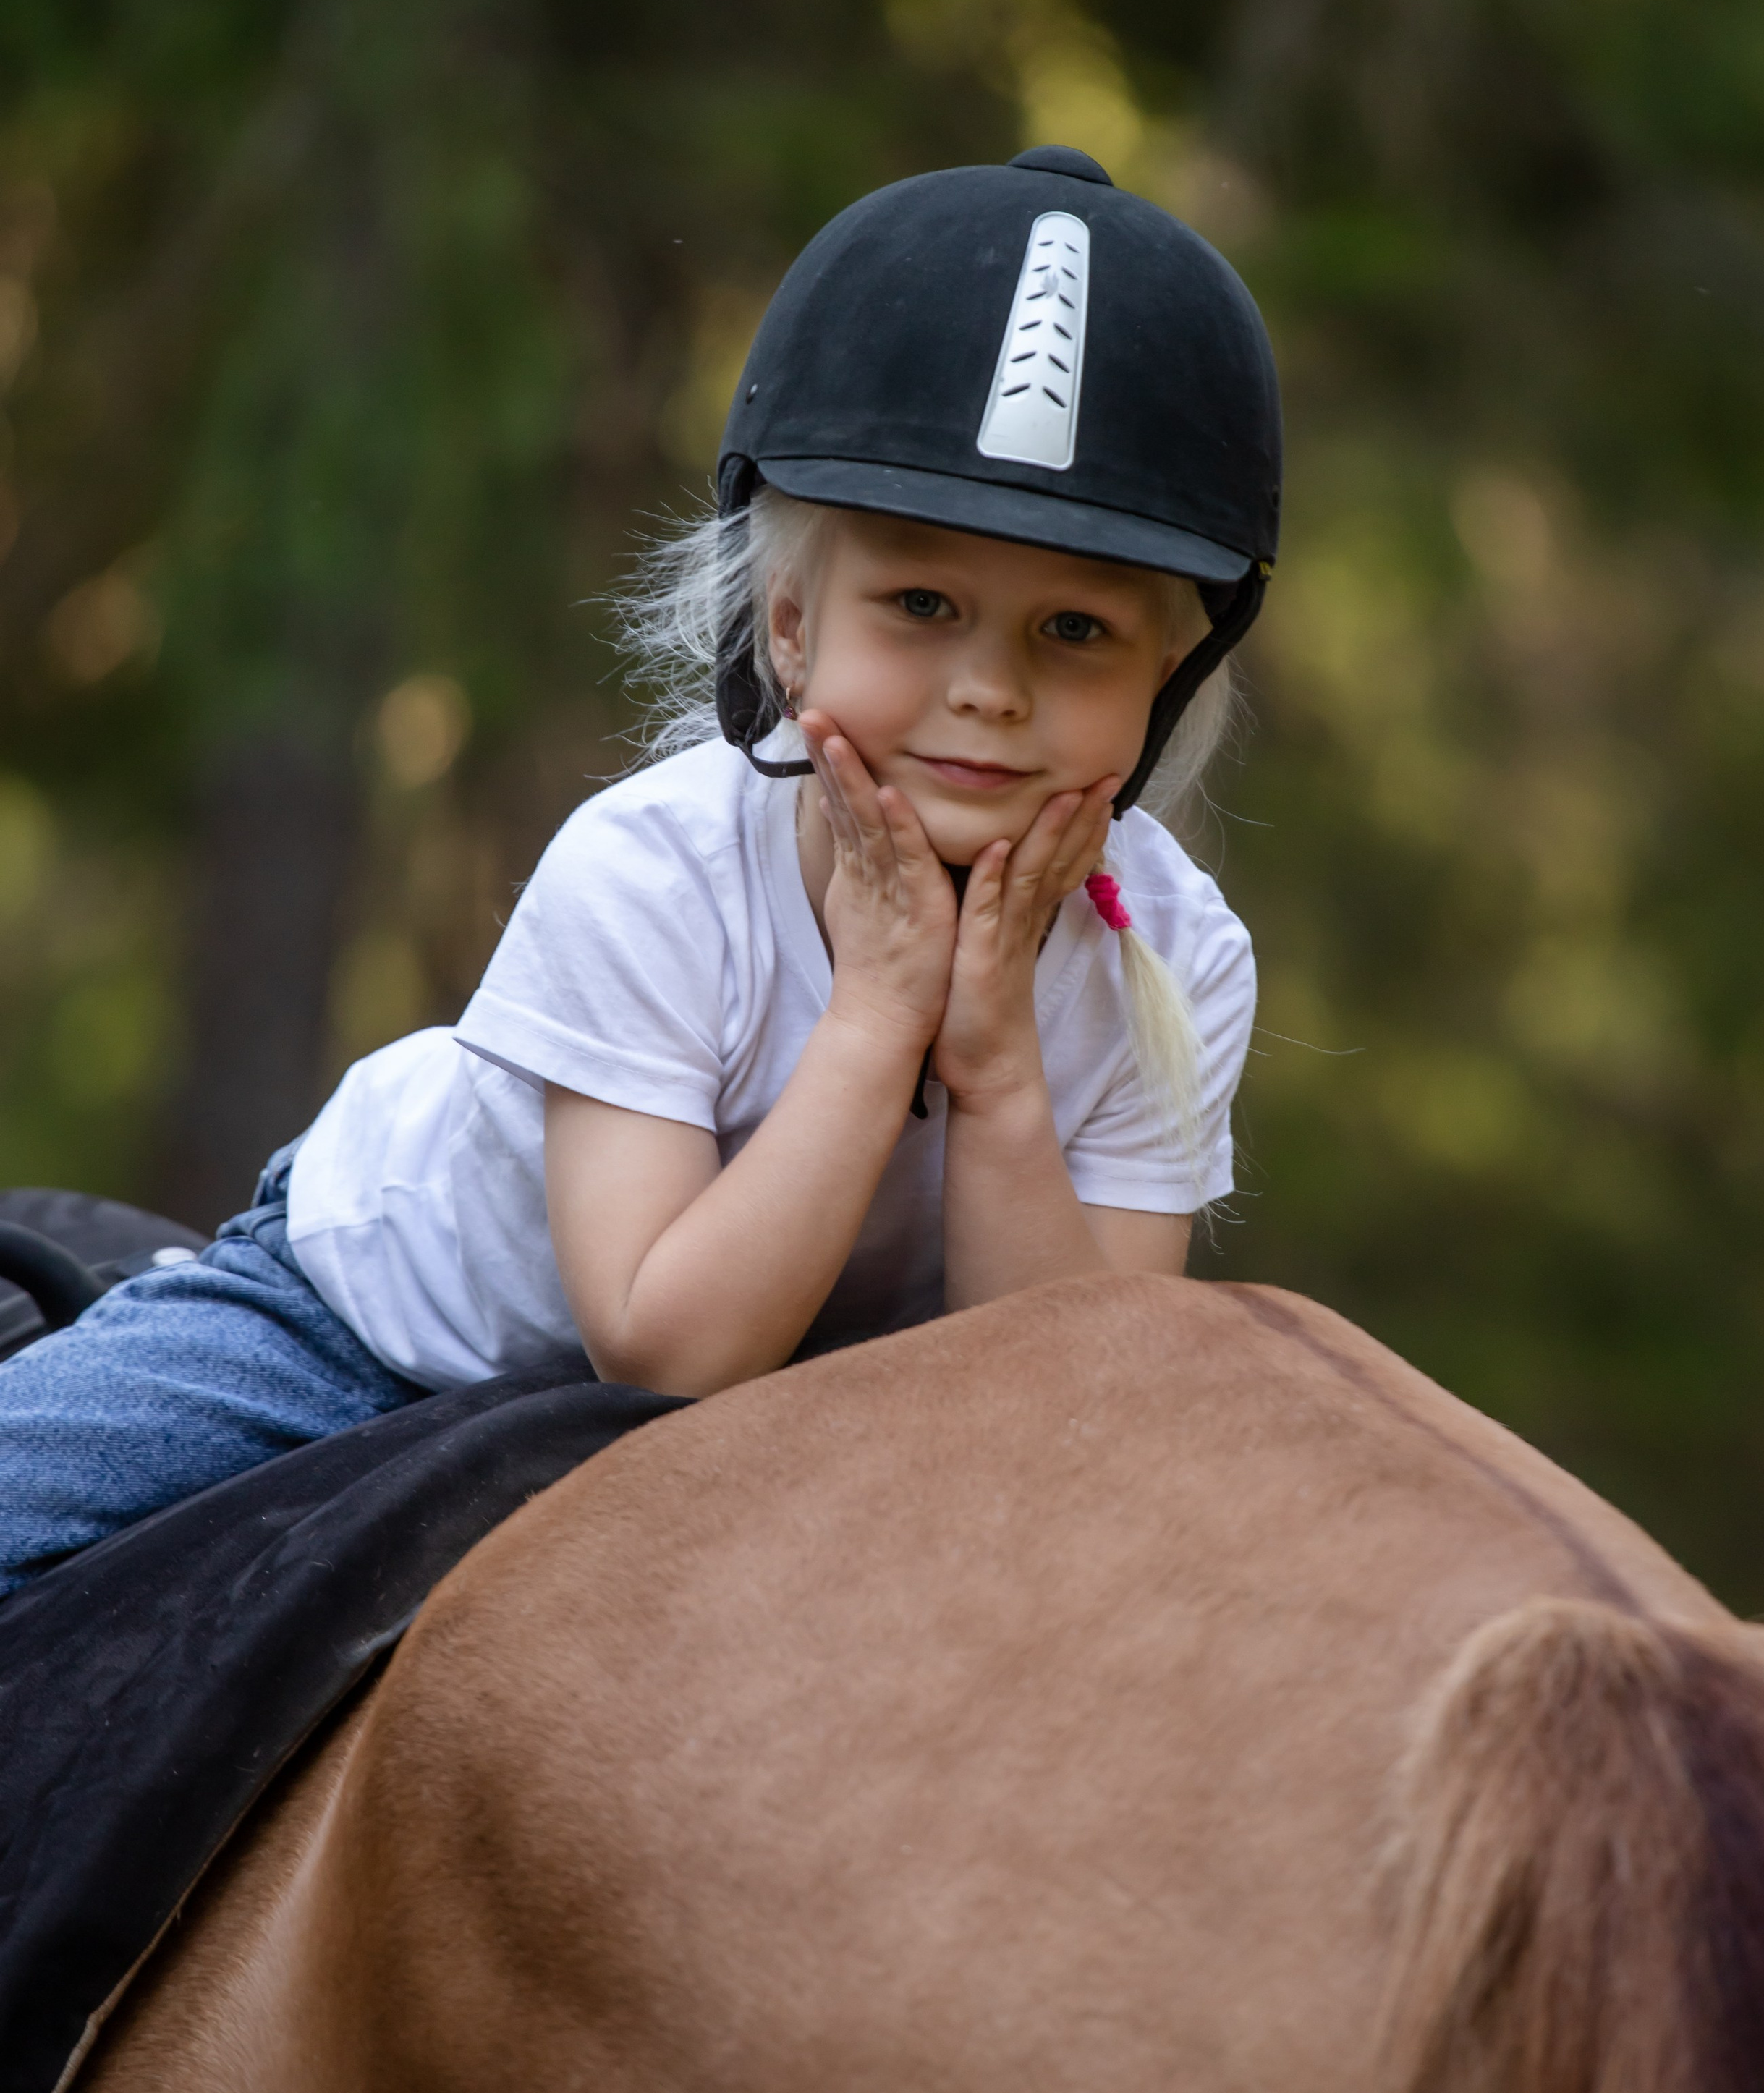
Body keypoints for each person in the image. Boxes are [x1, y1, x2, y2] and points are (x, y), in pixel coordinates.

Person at [0, 145, 1281, 1596]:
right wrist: (877, 1015)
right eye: (920, 604)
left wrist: (994, 1070)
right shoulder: (653, 869)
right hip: (375, 1339)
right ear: (788, 626)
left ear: (1171, 668)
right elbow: (662, 1351)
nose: (985, 688)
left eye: (1074, 632)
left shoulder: (1172, 955)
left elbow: (1062, 1414)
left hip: (811, 1427)